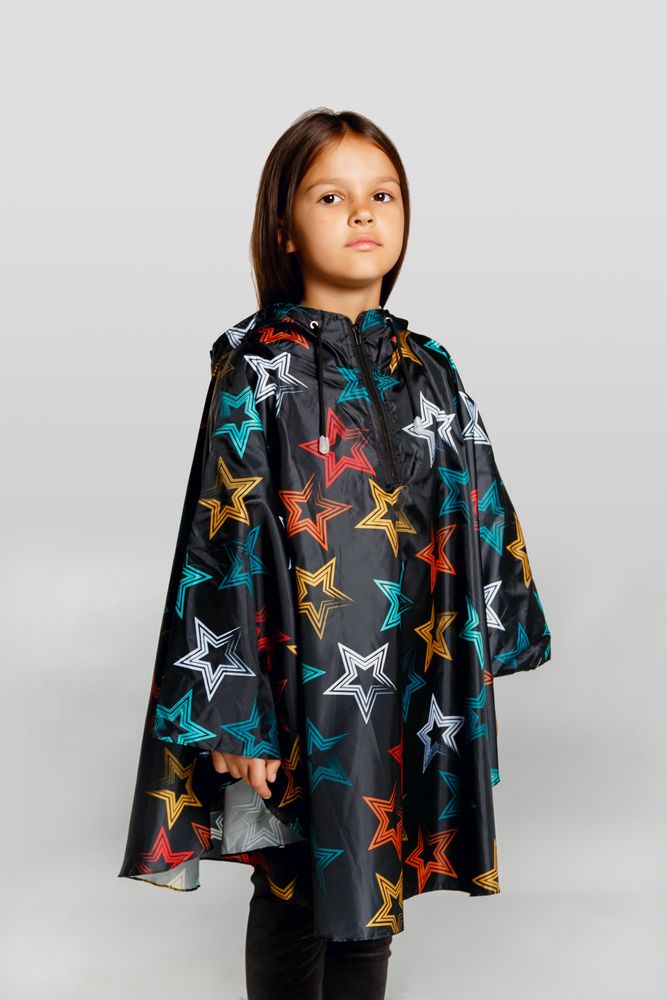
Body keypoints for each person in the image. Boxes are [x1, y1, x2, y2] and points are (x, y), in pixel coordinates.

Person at [118, 108, 552, 1000]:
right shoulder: (257, 369)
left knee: (373, 882)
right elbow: (221, 536)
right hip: (294, 688)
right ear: (284, 226)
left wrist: (486, 640)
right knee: (296, 885)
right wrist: (234, 714)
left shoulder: (429, 367)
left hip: (405, 679)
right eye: (330, 196)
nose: (362, 213)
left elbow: (479, 503)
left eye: (381, 195)